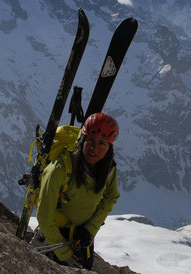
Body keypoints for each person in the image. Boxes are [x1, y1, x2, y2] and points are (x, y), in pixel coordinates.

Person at [34, 112, 120, 270]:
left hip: (82, 238)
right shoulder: (59, 169)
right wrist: (65, 255)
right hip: (53, 239)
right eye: (90, 141)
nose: (95, 148)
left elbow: (111, 197)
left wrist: (90, 229)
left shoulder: (107, 169)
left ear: (109, 148)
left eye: (103, 143)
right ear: (82, 140)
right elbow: (44, 217)